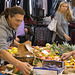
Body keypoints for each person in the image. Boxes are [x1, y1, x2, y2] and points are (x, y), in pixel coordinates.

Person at [0, 6, 31, 75]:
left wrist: (20, 46)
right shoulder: (1, 29)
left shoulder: (11, 24)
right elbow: (2, 52)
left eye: (21, 21)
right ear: (9, 17)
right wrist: (19, 64)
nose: (19, 24)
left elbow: (9, 39)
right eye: (17, 20)